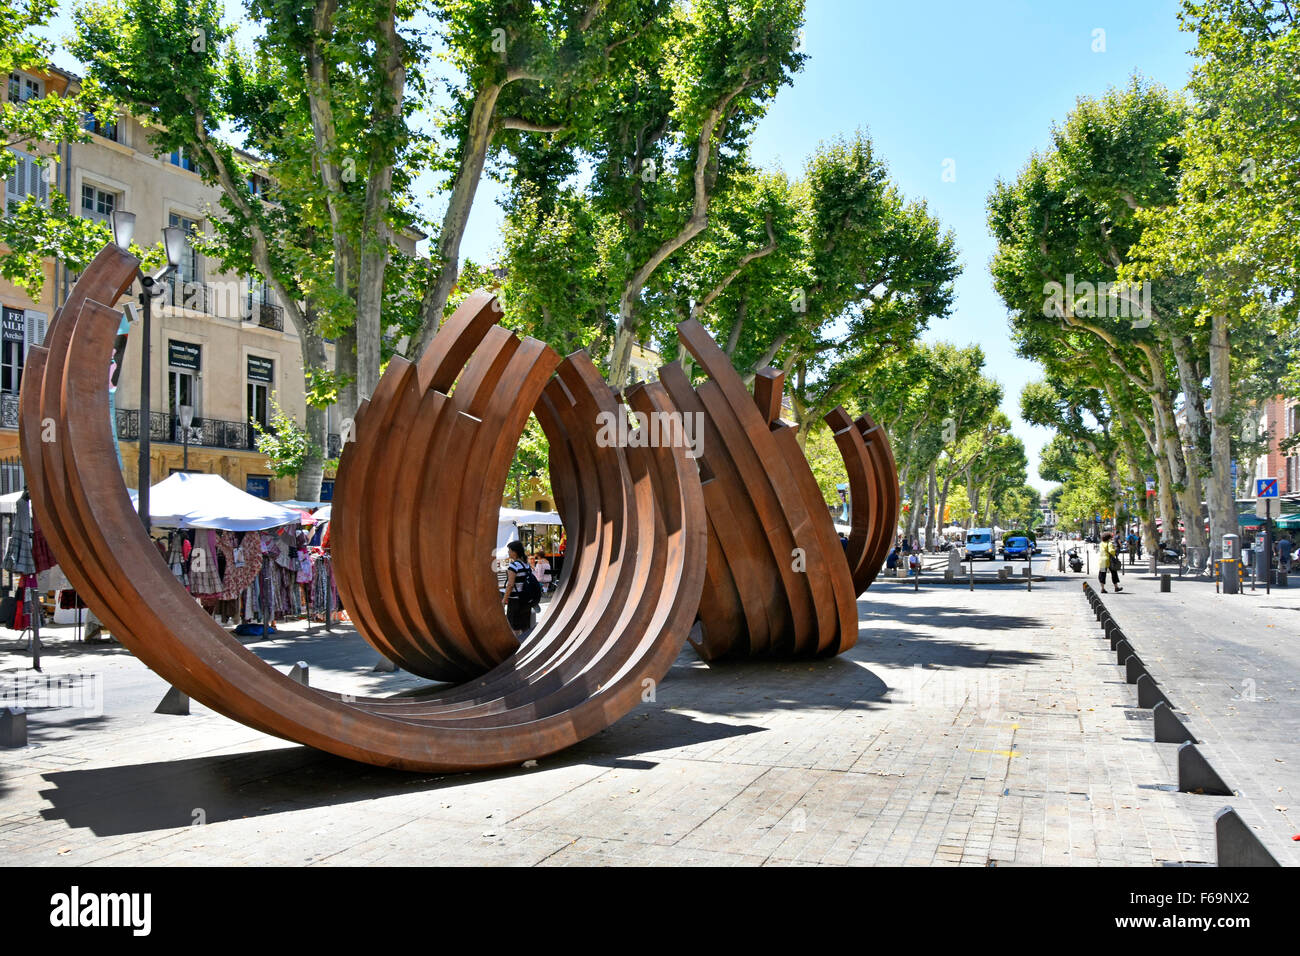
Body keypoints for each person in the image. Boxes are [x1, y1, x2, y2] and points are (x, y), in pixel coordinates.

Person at [502, 541, 534, 638]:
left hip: (515, 601)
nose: (508, 553)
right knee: (525, 627)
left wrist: (504, 599)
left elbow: (510, 585)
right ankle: (526, 647)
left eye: (509, 550)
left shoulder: (514, 566)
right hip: (526, 599)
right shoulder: (526, 565)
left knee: (514, 628)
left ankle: (516, 649)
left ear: (514, 552)